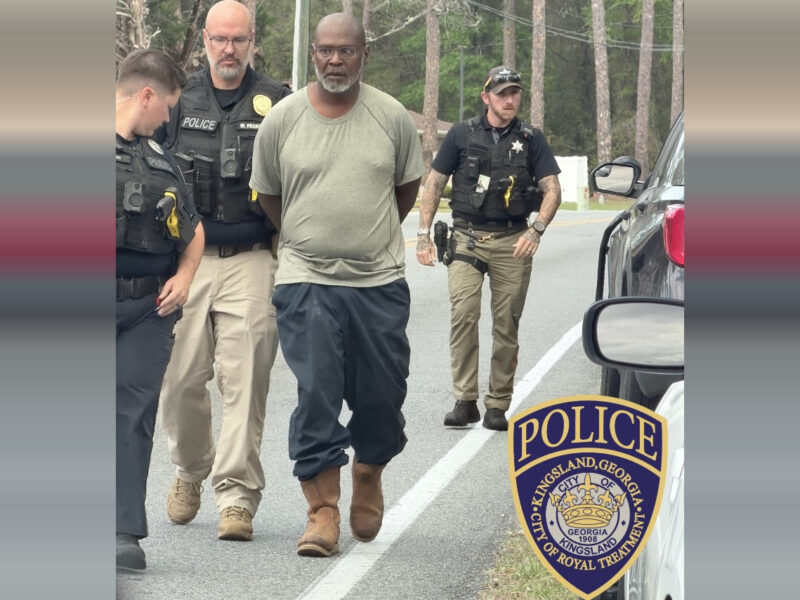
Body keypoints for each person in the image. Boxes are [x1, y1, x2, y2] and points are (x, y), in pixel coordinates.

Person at [249, 13, 424, 557]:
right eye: (325, 50)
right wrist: (308, 240)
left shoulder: (391, 116)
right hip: (306, 279)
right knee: (317, 392)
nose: (335, 60)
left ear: (363, 55)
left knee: (380, 394)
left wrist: (364, 238)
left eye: (346, 51)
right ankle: (322, 510)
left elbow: (406, 189)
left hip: (379, 282)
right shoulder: (282, 119)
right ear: (313, 55)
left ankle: (368, 470)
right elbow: (270, 195)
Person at [156, 0, 291, 541]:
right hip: (186, 261)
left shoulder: (280, 101)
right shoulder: (177, 99)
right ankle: (192, 467)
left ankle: (236, 496)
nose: (228, 49)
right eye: (219, 39)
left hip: (253, 258)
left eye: (238, 39)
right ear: (206, 41)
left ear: (252, 39)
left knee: (247, 380)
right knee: (180, 380)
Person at [416, 66, 562, 432]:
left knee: (506, 323)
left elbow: (552, 189)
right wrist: (422, 234)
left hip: (513, 240)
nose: (510, 99)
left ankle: (497, 404)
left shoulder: (532, 139)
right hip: (466, 236)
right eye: (502, 93)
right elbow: (433, 184)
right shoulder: (462, 135)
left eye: (515, 93)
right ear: (486, 98)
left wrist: (537, 230)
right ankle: (465, 401)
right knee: (464, 315)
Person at [116, 49, 204, 570]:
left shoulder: (163, 159)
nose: (168, 118)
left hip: (150, 307)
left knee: (132, 414)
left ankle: (122, 531)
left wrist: (187, 277)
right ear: (146, 95)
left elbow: (194, 234)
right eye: (167, 107)